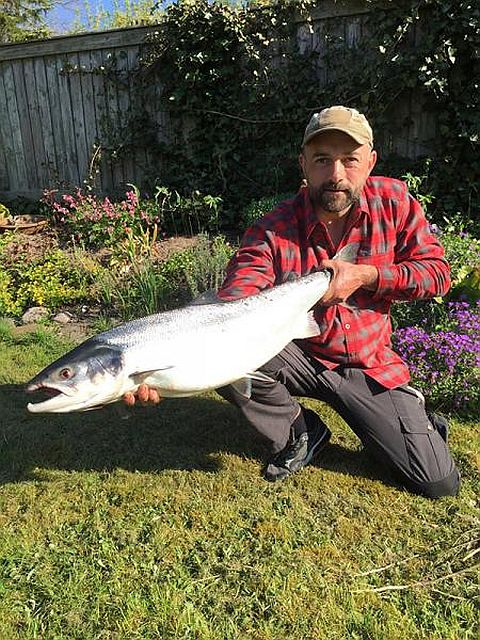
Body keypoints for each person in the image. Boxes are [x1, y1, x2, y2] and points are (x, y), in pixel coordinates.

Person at [125, 105, 460, 499]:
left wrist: (367, 276)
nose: (336, 174)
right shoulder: (272, 229)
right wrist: (155, 369)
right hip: (298, 352)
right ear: (303, 163)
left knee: (436, 481)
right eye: (322, 160)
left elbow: (437, 274)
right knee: (224, 354)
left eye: (349, 160)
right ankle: (300, 430)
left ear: (370, 162)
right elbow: (239, 293)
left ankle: (411, 419)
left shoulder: (395, 202)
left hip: (370, 363)